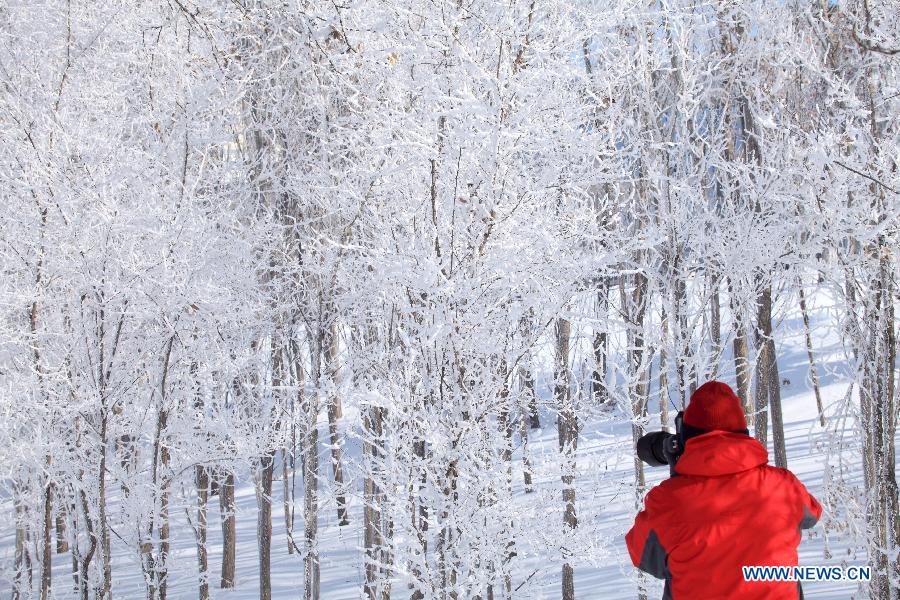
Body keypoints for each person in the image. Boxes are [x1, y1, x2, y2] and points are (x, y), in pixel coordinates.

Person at [625, 381, 822, 599]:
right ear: (743, 434)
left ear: (686, 439)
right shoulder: (784, 486)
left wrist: (678, 481)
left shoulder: (668, 501)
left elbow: (642, 556)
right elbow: (811, 515)